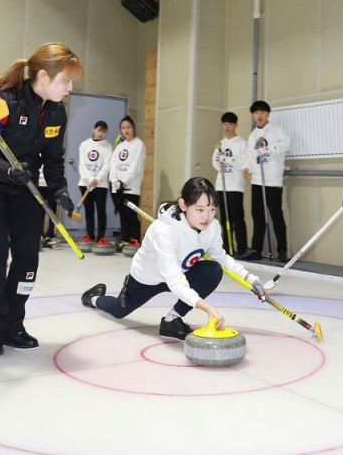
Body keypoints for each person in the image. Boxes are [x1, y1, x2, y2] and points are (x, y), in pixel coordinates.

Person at [0, 42, 82, 356]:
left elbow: (54, 159)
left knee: (28, 256)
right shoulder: (0, 102)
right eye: (64, 82)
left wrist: (59, 190)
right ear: (42, 76)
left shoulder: (56, 111)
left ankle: (14, 324)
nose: (69, 89)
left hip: (25, 185)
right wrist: (8, 172)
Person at [80, 177, 265, 340]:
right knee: (118, 311)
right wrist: (207, 308)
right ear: (183, 205)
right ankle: (93, 298)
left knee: (212, 271)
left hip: (179, 274)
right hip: (147, 278)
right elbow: (174, 280)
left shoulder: (212, 227)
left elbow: (222, 258)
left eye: (211, 209)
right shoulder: (163, 232)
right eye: (199, 209)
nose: (207, 216)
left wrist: (251, 280)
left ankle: (172, 320)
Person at [237, 100, 291, 262]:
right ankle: (256, 249)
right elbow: (249, 156)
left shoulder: (277, 130)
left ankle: (282, 251)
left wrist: (268, 149)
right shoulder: (253, 135)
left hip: (272, 180)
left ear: (268, 114)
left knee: (276, 215)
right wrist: (246, 168)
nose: (259, 116)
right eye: (256, 113)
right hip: (257, 181)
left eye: (262, 112)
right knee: (257, 215)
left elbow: (286, 144)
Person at [211, 111, 247, 256]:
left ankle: (242, 247)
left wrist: (227, 160)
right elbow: (214, 162)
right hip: (221, 185)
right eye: (225, 125)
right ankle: (226, 246)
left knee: (237, 217)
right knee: (225, 217)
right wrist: (219, 162)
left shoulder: (242, 143)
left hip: (236, 185)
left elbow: (242, 164)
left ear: (236, 125)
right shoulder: (220, 143)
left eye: (230, 125)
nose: (227, 128)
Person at [109, 115, 146, 252]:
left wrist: (124, 181)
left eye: (128, 127)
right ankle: (125, 240)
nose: (126, 130)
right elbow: (113, 164)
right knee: (122, 215)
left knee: (131, 214)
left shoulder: (139, 144)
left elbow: (136, 167)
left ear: (134, 128)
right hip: (117, 187)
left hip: (131, 187)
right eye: (123, 128)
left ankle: (135, 239)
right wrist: (114, 180)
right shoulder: (120, 146)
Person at [78, 120, 112, 242]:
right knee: (89, 211)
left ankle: (101, 237)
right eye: (99, 130)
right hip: (85, 183)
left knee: (101, 211)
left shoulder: (107, 146)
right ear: (94, 129)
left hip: (101, 185)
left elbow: (107, 165)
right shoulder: (84, 145)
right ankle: (90, 235)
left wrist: (97, 179)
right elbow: (81, 165)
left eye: (103, 131)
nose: (101, 133)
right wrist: (89, 178)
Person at [37, 166, 58, 248]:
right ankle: (39, 235)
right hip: (38, 183)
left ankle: (50, 235)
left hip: (51, 184)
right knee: (39, 211)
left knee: (52, 211)